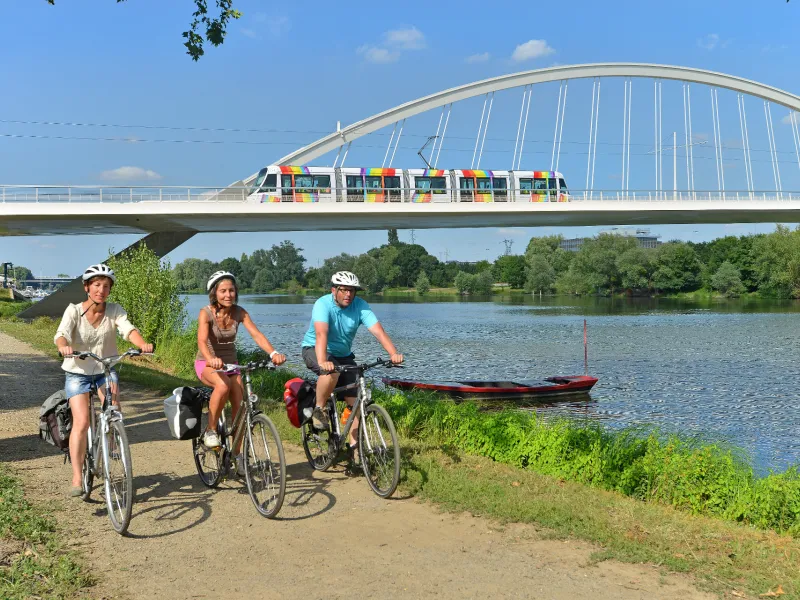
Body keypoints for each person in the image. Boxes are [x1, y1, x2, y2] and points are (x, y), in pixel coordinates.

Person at [54, 263, 153, 498]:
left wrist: (141, 344)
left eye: (106, 286)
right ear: (87, 287)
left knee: (114, 408)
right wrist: (64, 347)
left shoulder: (115, 310)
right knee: (82, 423)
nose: (101, 290)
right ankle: (77, 477)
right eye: (97, 285)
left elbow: (128, 329)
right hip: (77, 372)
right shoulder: (73, 311)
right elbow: (62, 334)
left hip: (104, 369)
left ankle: (111, 438)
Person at [301, 271, 403, 465]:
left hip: (343, 355)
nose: (349, 294)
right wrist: (323, 361)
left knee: (356, 402)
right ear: (334, 290)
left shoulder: (360, 306)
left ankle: (355, 450)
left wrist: (393, 353)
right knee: (331, 371)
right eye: (344, 290)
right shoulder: (322, 304)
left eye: (352, 291)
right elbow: (321, 334)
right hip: (315, 349)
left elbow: (378, 331)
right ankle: (319, 410)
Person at [196, 271, 286, 474]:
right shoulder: (206, 313)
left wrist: (273, 353)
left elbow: (256, 334)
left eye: (231, 290)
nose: (228, 295)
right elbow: (202, 341)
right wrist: (211, 358)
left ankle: (237, 454)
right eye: (223, 291)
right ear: (214, 293)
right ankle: (211, 430)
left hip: (231, 364)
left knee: (241, 403)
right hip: (207, 363)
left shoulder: (239, 312)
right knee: (222, 385)